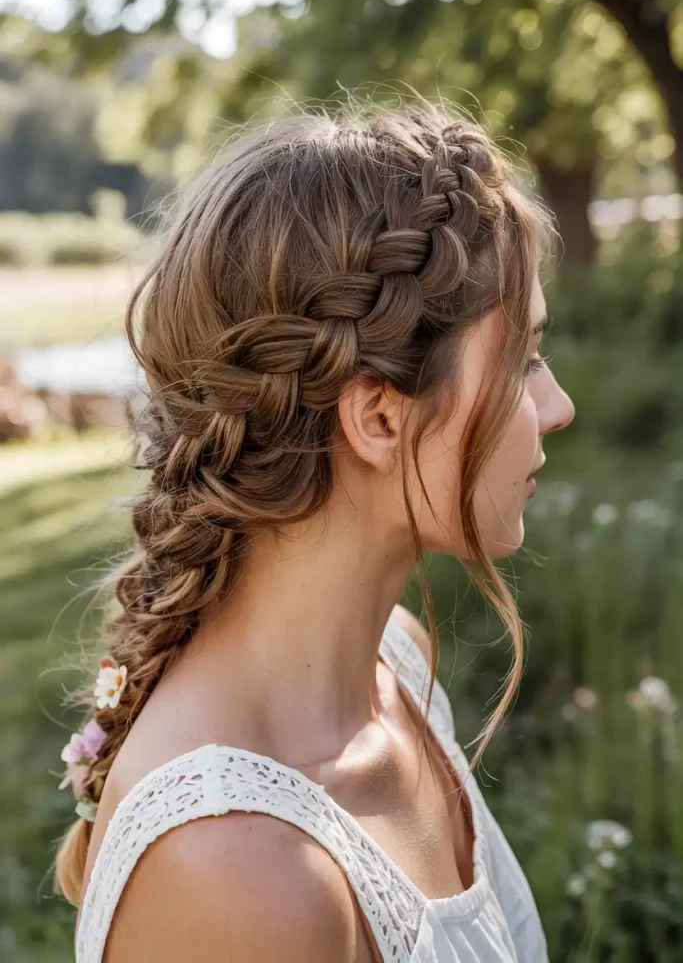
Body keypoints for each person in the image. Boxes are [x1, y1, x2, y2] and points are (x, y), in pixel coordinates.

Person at [54, 98, 574, 962]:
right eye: (522, 360)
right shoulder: (239, 871)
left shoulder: (394, 664)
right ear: (376, 415)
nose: (556, 407)